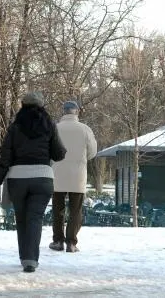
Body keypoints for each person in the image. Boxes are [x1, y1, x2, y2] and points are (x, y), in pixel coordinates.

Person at [0, 92, 66, 273]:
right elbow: (59, 153)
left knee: (22, 219)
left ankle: (25, 257)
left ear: (22, 107)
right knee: (35, 218)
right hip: (43, 179)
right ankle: (31, 259)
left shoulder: (15, 128)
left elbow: (5, 157)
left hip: (18, 179)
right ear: (42, 107)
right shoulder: (50, 127)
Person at [49, 101, 97, 253]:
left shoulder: (55, 128)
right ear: (76, 112)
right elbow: (92, 152)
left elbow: (48, 150)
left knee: (58, 210)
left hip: (57, 174)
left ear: (63, 112)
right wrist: (81, 159)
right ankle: (71, 242)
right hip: (78, 175)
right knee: (76, 210)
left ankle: (58, 241)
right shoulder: (85, 129)